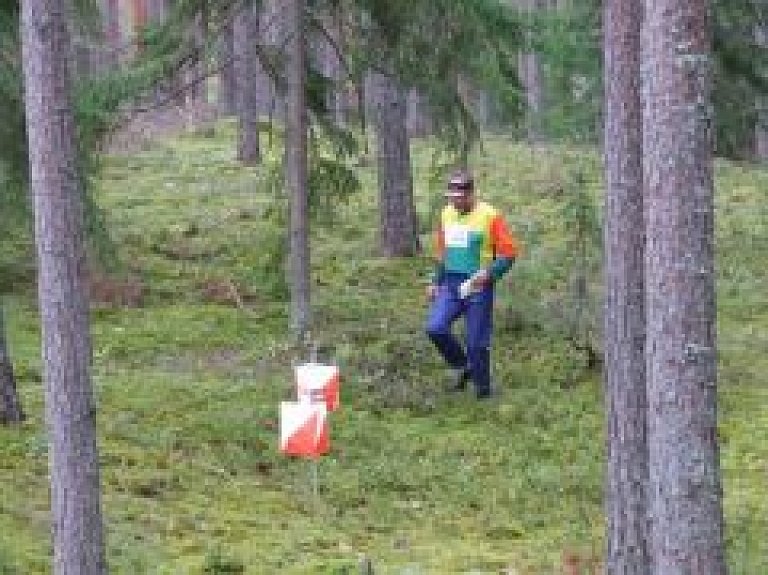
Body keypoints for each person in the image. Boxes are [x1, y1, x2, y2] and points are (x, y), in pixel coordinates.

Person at [424, 169, 520, 399]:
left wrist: (489, 273)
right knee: (435, 328)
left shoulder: (490, 215)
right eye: (451, 197)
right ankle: (463, 366)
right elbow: (443, 251)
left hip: (478, 286)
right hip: (450, 284)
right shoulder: (446, 214)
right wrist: (435, 281)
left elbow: (509, 253)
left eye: (459, 198)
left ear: (470, 194)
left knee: (476, 343)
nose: (454, 202)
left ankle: (483, 391)